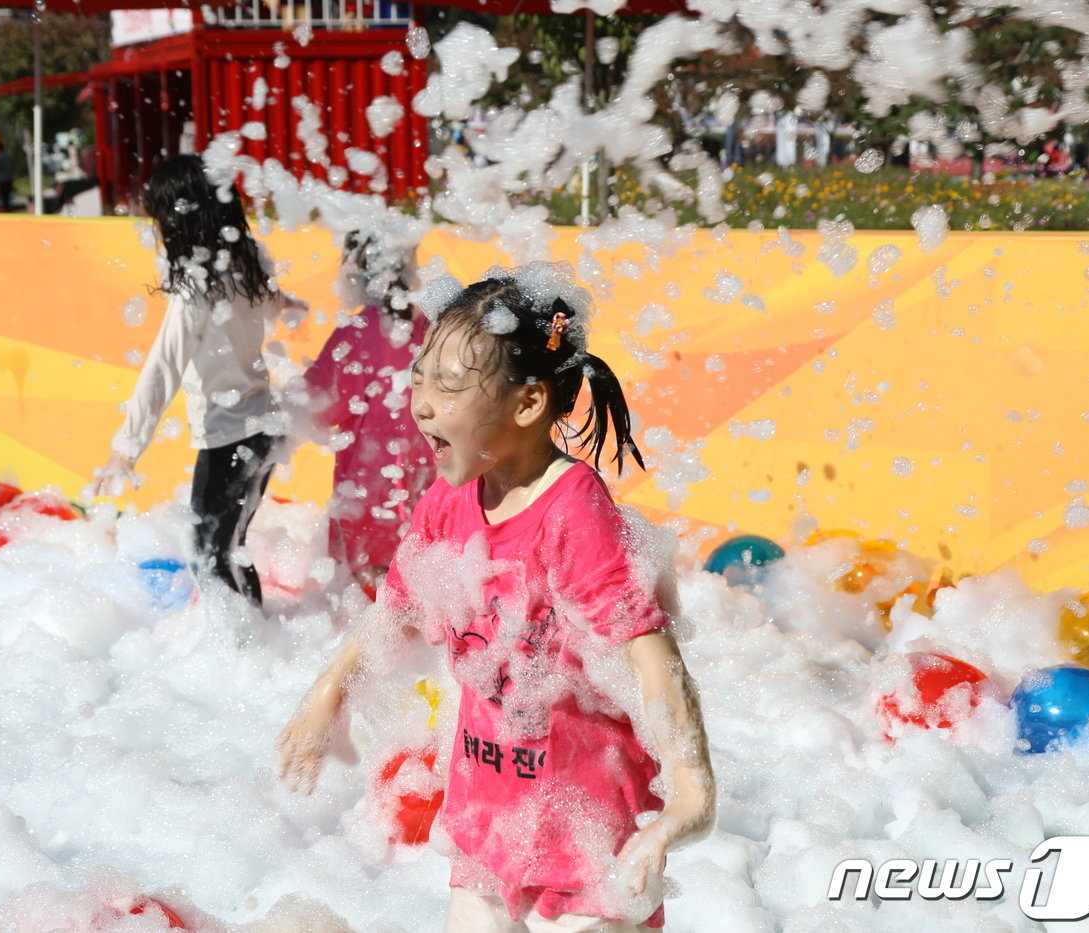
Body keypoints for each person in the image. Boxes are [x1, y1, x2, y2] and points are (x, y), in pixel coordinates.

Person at [278, 265, 716, 932]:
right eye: (419, 376)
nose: (421, 402)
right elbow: (393, 612)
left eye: (448, 384)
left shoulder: (574, 514)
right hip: (488, 826)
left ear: (527, 404)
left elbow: (650, 656)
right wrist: (326, 696)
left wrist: (690, 788)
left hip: (588, 840)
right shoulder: (448, 501)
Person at [89, 154, 304, 606]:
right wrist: (289, 304)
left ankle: (241, 653)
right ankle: (257, 640)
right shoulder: (247, 268)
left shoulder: (194, 292)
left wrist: (125, 448)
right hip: (265, 429)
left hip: (226, 440)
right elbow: (270, 303)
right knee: (233, 546)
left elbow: (161, 368)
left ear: (177, 222)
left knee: (207, 556)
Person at [300, 226, 433, 596]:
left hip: (366, 481)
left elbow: (317, 407)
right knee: (420, 572)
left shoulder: (357, 330)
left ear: (358, 270)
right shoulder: (429, 326)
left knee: (364, 585)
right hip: (425, 472)